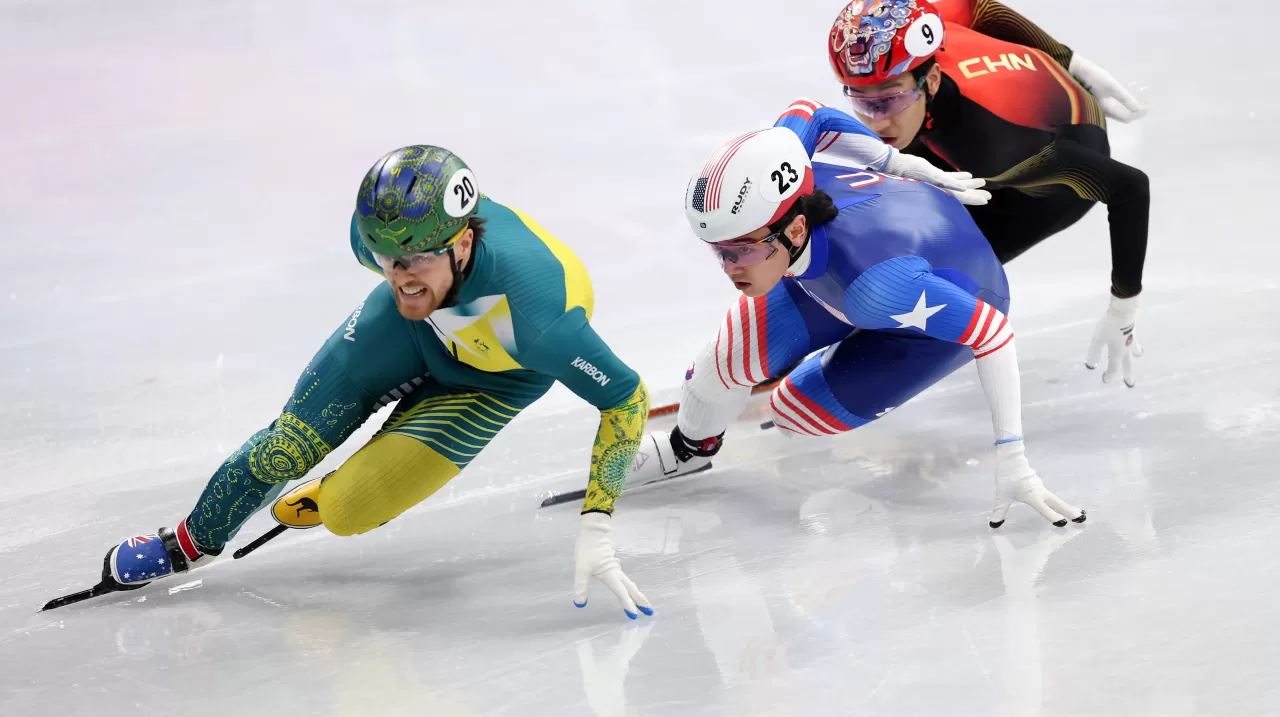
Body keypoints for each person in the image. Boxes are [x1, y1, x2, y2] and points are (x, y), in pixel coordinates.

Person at [80, 146, 655, 619]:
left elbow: (627, 401)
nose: (401, 277)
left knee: (348, 511)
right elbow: (401, 267)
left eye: (416, 261)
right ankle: (188, 544)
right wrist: (409, 274)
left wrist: (597, 524)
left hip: (495, 380)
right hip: (418, 334)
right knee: (284, 448)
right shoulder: (383, 242)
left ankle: (338, 484)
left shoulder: (540, 318)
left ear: (462, 243)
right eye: (388, 261)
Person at [629, 114, 1086, 529]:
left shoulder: (876, 285)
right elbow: (810, 113)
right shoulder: (783, 163)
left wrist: (1013, 459)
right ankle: (688, 451)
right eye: (720, 252)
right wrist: (898, 162)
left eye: (742, 250)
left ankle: (821, 364)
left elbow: (994, 335)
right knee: (722, 365)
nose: (730, 269)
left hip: (920, 306)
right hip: (848, 269)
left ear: (793, 229)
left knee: (792, 414)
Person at [828, 0, 1149, 386]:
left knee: (916, 269)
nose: (876, 119)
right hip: (1000, 114)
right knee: (865, 214)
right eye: (862, 101)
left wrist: (1123, 307)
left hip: (1049, 187)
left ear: (930, 80)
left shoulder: (993, 147)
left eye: (889, 99)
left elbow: (1130, 187)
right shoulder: (916, 28)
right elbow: (975, 5)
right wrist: (1071, 61)